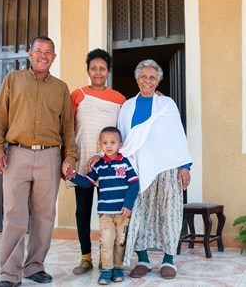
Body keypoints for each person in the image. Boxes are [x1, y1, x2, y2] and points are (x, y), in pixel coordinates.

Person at [0, 36, 78, 287]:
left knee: (44, 215)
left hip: (50, 155)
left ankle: (34, 266)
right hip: (17, 153)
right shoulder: (13, 80)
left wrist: (70, 156)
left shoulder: (61, 88)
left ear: (54, 57)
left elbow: (68, 128)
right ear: (30, 53)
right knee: (14, 214)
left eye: (49, 52)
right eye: (39, 51)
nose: (43, 56)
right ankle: (9, 274)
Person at [117, 59, 192, 279]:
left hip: (166, 168)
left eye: (152, 77)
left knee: (168, 213)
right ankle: (143, 260)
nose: (147, 80)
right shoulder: (127, 106)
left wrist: (185, 166)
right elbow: (122, 138)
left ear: (158, 80)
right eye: (143, 76)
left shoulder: (166, 104)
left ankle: (169, 260)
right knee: (139, 214)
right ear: (137, 79)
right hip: (137, 169)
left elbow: (178, 135)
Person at [70, 49, 126, 275]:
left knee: (108, 214)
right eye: (94, 68)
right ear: (88, 71)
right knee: (82, 210)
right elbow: (68, 128)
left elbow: (123, 134)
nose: (98, 72)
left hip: (110, 167)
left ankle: (107, 258)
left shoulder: (119, 99)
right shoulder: (77, 95)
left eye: (102, 68)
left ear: (108, 71)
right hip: (84, 162)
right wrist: (68, 158)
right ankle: (85, 258)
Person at [63, 126, 139, 285]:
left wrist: (128, 205)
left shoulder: (125, 163)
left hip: (123, 213)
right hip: (105, 214)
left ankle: (117, 268)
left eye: (113, 142)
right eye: (105, 143)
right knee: (106, 240)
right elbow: (87, 183)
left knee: (120, 242)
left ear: (120, 144)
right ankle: (106, 269)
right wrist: (73, 176)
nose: (109, 146)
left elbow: (134, 184)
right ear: (100, 145)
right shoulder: (99, 166)